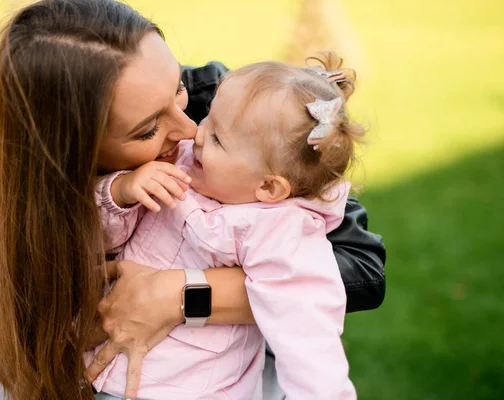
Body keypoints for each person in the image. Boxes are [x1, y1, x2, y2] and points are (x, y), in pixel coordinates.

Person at [0, 1, 386, 399]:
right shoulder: (43, 198)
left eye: (177, 88)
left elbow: (355, 271)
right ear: (71, 151)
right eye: (147, 129)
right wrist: (119, 192)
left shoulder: (239, 116)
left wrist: (181, 295)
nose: (190, 130)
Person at [87, 55, 362, 400]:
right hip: (98, 366)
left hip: (189, 389)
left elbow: (305, 331)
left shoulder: (280, 232)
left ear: (269, 187)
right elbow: (95, 236)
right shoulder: (182, 163)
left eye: (217, 138)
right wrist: (120, 192)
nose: (195, 132)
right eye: (208, 118)